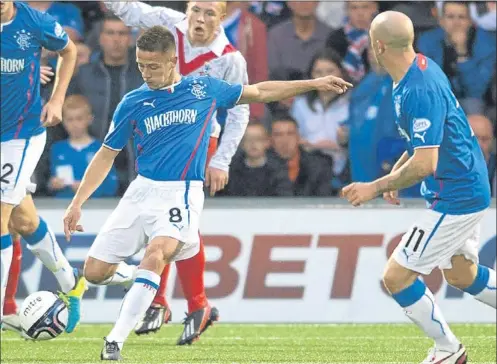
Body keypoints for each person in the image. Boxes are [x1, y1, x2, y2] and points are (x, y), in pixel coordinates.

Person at [62, 25, 351, 361]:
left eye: (153, 66)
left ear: (172, 61)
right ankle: (139, 280)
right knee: (96, 273)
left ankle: (115, 341)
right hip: (141, 192)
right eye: (141, 65)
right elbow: (106, 154)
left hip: (181, 194)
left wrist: (313, 84)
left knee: (157, 254)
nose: (146, 72)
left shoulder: (203, 89)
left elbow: (259, 92)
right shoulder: (134, 101)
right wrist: (77, 202)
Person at [342, 11, 495, 364]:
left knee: (396, 276)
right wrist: (400, 169)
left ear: (378, 46)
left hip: (455, 196)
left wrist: (375, 187)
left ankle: (448, 350)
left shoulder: (416, 88)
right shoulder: (418, 67)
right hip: (467, 184)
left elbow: (426, 164)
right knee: (462, 274)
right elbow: (426, 143)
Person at [104, 0, 251, 342]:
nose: (199, 19)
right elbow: (130, 11)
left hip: (200, 140)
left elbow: (240, 112)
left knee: (175, 219)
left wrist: (221, 160)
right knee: (168, 219)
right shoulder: (169, 24)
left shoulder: (229, 58)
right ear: (187, 8)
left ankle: (171, 302)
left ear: (221, 18)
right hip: (156, 129)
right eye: (196, 10)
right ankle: (185, 305)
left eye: (209, 13)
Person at [0, 1, 87, 333]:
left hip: (19, 136)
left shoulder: (35, 22)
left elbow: (70, 51)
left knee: (1, 216)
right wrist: (29, 70)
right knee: (24, 220)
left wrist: (56, 99)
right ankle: (71, 280)